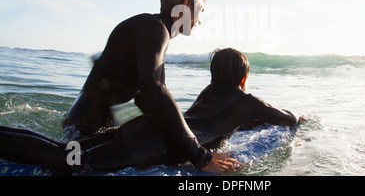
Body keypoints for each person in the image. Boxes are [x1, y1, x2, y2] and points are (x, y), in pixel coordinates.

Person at [0, 48, 304, 174]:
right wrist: (299, 118)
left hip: (149, 128)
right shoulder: (248, 100)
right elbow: (286, 118)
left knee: (67, 149)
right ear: (244, 79)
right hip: (157, 143)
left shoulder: (208, 93)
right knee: (74, 163)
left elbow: (208, 122)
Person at [61, 0, 238, 173]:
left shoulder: (151, 28)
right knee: (69, 167)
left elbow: (147, 100)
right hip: (85, 127)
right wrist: (199, 155)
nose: (199, 21)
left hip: (87, 124)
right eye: (200, 11)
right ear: (186, 4)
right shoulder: (154, 28)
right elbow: (154, 91)